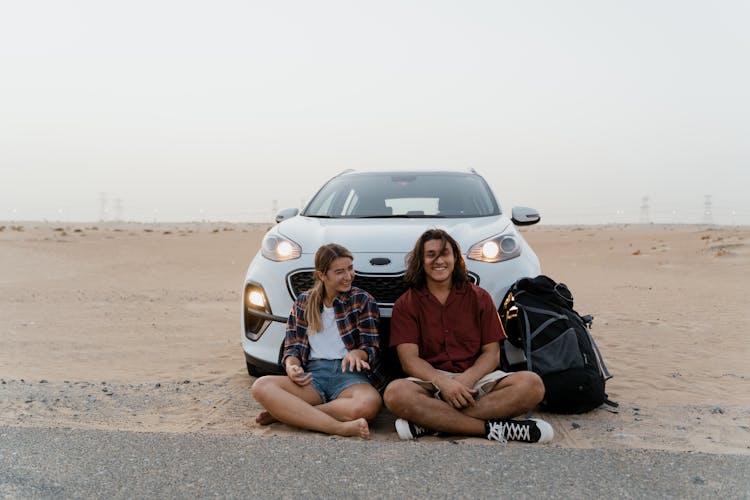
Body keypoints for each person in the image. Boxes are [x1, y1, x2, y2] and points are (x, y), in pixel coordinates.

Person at [383, 229, 553, 443]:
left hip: (477, 379)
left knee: (532, 385)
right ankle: (491, 429)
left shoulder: (480, 298)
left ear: (455, 258)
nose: (439, 260)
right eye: (431, 254)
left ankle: (431, 423)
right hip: (430, 380)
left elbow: (492, 354)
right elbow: (409, 360)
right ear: (421, 260)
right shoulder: (406, 304)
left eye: (445, 253)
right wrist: (443, 382)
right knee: (395, 393)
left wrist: (466, 380)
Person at [252, 243, 385, 439]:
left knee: (369, 404)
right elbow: (292, 348)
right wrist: (292, 366)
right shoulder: (303, 302)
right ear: (322, 275)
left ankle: (290, 414)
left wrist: (357, 353)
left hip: (349, 375)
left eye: (350, 268)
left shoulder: (362, 300)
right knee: (261, 386)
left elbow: (371, 346)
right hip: (313, 376)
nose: (348, 276)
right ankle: (339, 428)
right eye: (340, 271)